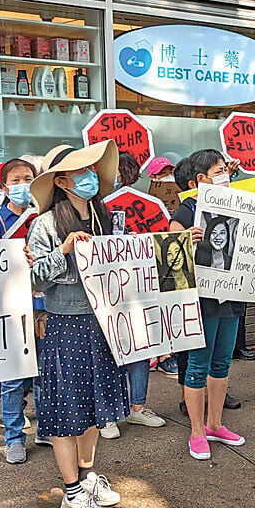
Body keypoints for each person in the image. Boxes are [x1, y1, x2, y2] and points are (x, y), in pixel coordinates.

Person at [27, 140, 129, 508]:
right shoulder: (47, 224)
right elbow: (33, 277)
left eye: (91, 170)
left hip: (103, 322)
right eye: (81, 171)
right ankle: (71, 493)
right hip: (66, 325)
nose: (89, 177)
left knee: (93, 408)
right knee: (68, 408)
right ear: (62, 181)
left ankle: (87, 476)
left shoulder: (107, 217)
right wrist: (64, 250)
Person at [167, 148, 247, 460]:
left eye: (226, 170)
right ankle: (197, 431)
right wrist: (186, 237)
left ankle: (215, 424)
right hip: (202, 298)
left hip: (232, 295)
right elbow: (169, 249)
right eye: (219, 171)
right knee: (198, 365)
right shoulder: (187, 209)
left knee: (222, 363)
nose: (225, 176)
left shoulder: (237, 205)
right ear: (201, 179)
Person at [100, 152, 166, 440]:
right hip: (107, 291)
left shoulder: (151, 205)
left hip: (140, 289)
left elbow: (164, 242)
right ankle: (108, 414)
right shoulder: (95, 209)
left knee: (139, 350)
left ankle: (135, 407)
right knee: (110, 352)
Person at [0, 157, 39, 464]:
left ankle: (46, 427)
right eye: (16, 180)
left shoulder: (41, 217)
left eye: (28, 178)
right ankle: (14, 437)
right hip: (10, 309)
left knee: (43, 373)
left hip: (42, 305)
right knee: (14, 377)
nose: (23, 185)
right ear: (4, 186)